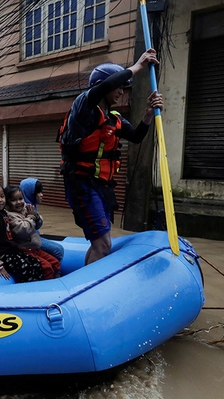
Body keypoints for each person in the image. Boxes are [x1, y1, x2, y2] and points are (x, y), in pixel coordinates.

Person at [59, 49, 164, 265]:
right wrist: (137, 67)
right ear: (103, 86)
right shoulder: (84, 107)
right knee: (103, 245)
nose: (120, 91)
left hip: (102, 187)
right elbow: (105, 86)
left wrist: (147, 115)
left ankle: (88, 277)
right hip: (82, 184)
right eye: (118, 86)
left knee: (102, 243)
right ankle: (87, 289)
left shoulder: (113, 118)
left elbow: (136, 137)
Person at [0, 181, 43, 283]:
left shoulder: (2, 213)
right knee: (26, 268)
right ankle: (26, 290)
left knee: (36, 263)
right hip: (1, 255)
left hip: (10, 250)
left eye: (2, 196)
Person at [4, 185, 60, 279]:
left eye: (20, 199)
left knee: (55, 262)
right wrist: (30, 217)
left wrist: (36, 217)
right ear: (7, 202)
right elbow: (22, 230)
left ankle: (59, 281)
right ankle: (47, 285)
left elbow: (38, 224)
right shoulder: (10, 216)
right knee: (46, 267)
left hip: (35, 248)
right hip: (25, 250)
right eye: (13, 200)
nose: (18, 202)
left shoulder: (26, 209)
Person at [19, 177, 65, 262]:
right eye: (38, 192)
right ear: (30, 193)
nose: (41, 195)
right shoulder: (24, 208)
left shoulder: (31, 205)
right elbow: (24, 228)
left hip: (34, 237)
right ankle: (57, 273)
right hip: (29, 241)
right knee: (58, 250)